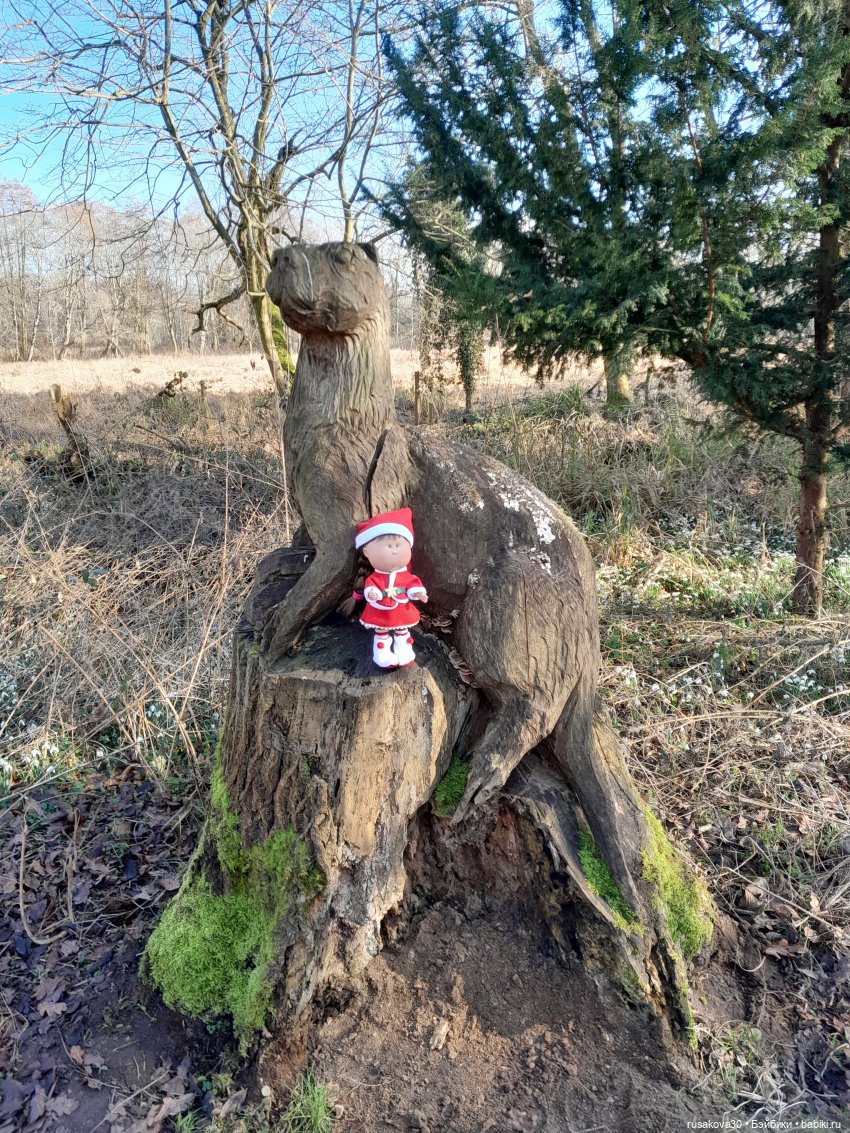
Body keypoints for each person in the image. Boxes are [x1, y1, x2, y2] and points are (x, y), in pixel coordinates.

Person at [355, 508, 428, 668]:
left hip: (402, 609)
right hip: (380, 609)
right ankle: (382, 654)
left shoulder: (406, 575)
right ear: (366, 552)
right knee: (381, 633)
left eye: (398, 545)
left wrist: (418, 593)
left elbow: (412, 584)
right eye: (389, 545)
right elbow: (370, 586)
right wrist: (372, 593)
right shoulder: (375, 577)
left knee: (403, 632)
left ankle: (404, 650)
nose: (395, 550)